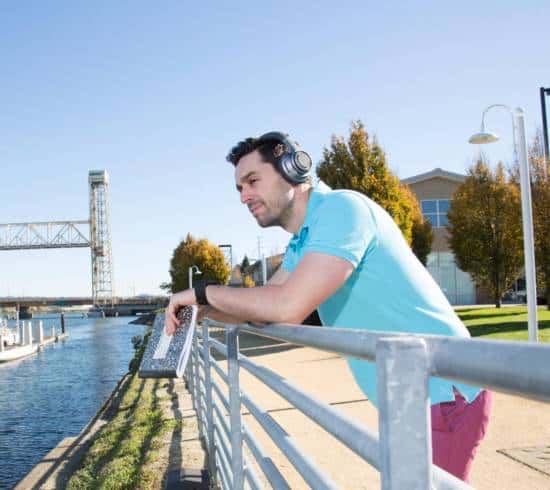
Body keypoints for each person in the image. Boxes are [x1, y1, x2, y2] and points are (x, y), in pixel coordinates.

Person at [165, 131, 492, 482]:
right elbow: (263, 303)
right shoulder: (304, 239)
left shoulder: (342, 209)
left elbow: (288, 306)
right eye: (239, 188)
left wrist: (204, 292)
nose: (244, 196)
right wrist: (205, 311)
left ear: (293, 169)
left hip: (442, 390)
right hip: (410, 391)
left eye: (252, 181)